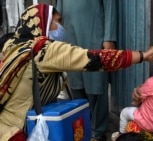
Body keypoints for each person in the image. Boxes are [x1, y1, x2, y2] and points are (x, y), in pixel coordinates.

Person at [0, 4, 153, 141]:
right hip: (14, 131)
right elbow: (94, 59)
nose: (61, 27)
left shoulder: (16, 46)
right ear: (44, 23)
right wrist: (142, 55)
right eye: (57, 21)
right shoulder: (43, 50)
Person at [56, 1, 117, 140]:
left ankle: (97, 131)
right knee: (75, 82)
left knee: (96, 82)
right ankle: (82, 126)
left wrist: (109, 37)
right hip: (70, 35)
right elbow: (58, 11)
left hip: (94, 32)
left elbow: (110, 7)